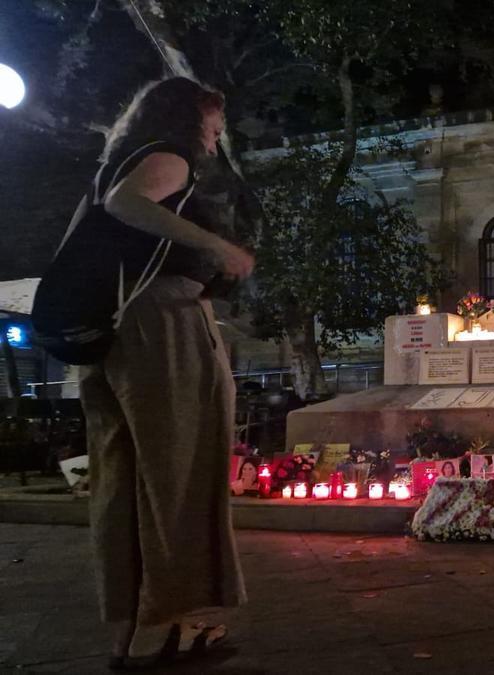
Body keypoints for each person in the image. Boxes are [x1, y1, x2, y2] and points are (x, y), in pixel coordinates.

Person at [75, 77, 254, 668]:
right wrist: (218, 248)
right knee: (177, 470)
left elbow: (108, 213)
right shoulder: (168, 158)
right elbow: (127, 204)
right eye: (212, 120)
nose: (217, 133)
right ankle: (170, 628)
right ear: (186, 117)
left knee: (124, 479)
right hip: (162, 321)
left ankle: (128, 631)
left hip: (112, 328)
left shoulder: (114, 162)